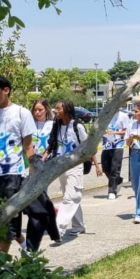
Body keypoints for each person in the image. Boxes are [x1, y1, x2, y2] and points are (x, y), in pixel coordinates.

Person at [0, 75, 34, 252]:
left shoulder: (21, 113)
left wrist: (33, 171)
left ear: (6, 90)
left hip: (11, 174)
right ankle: (28, 250)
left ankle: (1, 264)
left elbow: (28, 146)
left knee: (9, 219)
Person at [45, 100, 101, 239]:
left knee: (72, 196)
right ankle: (79, 226)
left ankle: (59, 227)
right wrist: (41, 160)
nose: (55, 111)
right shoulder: (56, 126)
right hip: (60, 165)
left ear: (67, 109)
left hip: (75, 165)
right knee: (69, 196)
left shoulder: (77, 126)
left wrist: (97, 165)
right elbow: (51, 146)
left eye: (58, 108)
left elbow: (89, 146)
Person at [26, 99, 59, 251]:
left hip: (46, 162)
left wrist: (44, 158)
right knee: (38, 193)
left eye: (40, 109)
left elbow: (53, 144)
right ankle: (49, 213)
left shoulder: (52, 125)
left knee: (40, 191)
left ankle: (44, 220)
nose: (37, 113)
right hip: (32, 162)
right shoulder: (29, 125)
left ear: (46, 109)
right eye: (35, 110)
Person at [101, 106, 131, 199]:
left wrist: (114, 133)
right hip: (106, 145)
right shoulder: (105, 116)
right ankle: (118, 181)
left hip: (118, 145)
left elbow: (126, 131)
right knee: (105, 167)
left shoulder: (123, 116)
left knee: (115, 168)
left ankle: (112, 190)